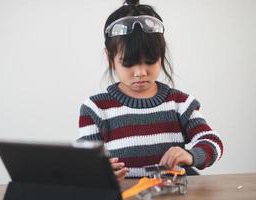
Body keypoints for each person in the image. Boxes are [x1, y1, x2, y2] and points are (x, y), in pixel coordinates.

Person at [78, 0, 223, 182]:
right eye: (128, 63)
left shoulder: (179, 103)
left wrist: (192, 155)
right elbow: (83, 164)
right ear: (110, 57)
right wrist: (99, 172)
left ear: (161, 55)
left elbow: (213, 142)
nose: (140, 73)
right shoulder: (95, 108)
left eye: (150, 61)